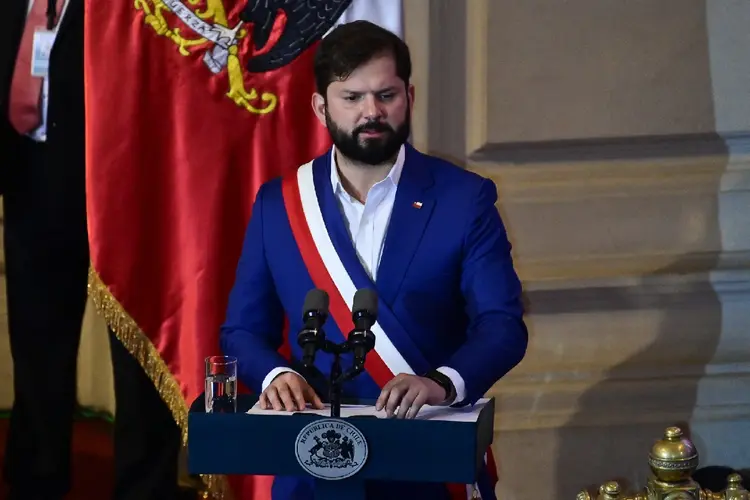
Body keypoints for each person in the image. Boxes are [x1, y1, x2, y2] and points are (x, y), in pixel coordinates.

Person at [220, 20, 528, 500]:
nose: (372, 112)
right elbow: (241, 330)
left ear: (409, 95)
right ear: (321, 107)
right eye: (353, 98)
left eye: (386, 95)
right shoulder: (279, 205)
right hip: (313, 467)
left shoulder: (464, 199)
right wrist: (278, 376)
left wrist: (441, 384)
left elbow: (502, 326)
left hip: (425, 460)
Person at [0, 1, 188, 498]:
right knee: (37, 349)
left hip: (125, 190)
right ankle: (35, 481)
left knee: (136, 354)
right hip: (33, 184)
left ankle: (145, 489)